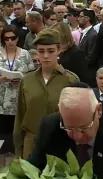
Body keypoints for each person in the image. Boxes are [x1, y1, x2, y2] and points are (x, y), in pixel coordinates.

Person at [13, 28, 79, 160]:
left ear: (59, 50)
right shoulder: (27, 80)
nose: (46, 56)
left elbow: (77, 117)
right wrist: (19, 151)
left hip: (61, 142)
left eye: (51, 51)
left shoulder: (70, 80)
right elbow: (20, 116)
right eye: (41, 51)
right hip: (32, 142)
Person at [0, 25, 34, 167]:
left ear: (18, 38)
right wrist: (1, 79)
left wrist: (21, 78)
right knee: (0, 127)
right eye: (6, 39)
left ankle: (16, 154)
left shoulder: (25, 54)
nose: (10, 41)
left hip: (17, 97)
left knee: (16, 127)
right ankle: (2, 156)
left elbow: (31, 75)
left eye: (13, 38)